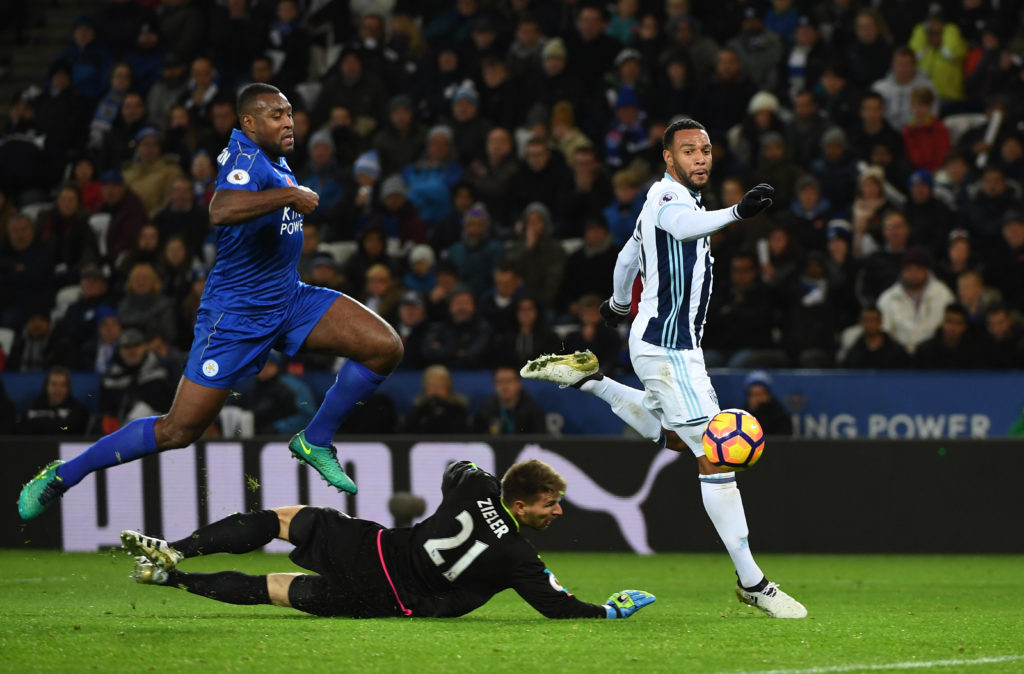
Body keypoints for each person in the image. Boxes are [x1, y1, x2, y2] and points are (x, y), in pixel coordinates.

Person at [19, 84, 403, 521]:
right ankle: (63, 475)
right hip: (235, 318)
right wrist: (291, 196)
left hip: (289, 299)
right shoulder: (244, 160)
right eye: (276, 115)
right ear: (249, 123)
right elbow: (221, 209)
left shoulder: (272, 159)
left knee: (383, 346)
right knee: (178, 430)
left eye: (290, 113)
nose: (289, 122)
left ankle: (315, 439)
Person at [521, 118, 806, 619]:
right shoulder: (671, 202)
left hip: (667, 347)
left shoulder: (670, 200)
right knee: (717, 453)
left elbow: (630, 253)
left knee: (679, 439)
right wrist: (739, 212)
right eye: (689, 151)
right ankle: (753, 582)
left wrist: (615, 303)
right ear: (668, 159)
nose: (700, 157)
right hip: (668, 348)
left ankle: (590, 380)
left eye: (706, 149)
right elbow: (681, 228)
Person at [120, 459, 655, 620]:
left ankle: (178, 549)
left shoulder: (478, 488)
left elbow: (455, 471)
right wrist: (609, 612)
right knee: (275, 589)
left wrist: (474, 474)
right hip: (391, 600)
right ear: (521, 506)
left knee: (286, 518)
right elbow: (557, 607)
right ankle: (174, 578)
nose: (558, 511)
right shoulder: (520, 557)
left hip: (375, 550)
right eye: (549, 503)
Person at [472, 365, 548, 435]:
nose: (505, 386)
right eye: (500, 382)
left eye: (509, 381)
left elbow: (540, 441)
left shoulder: (533, 410)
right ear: (494, 386)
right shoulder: (486, 409)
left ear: (519, 384)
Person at [18, 366, 90, 435]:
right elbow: (23, 428)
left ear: (68, 388)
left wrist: (39, 424)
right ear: (46, 386)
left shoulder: (78, 411)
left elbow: (66, 429)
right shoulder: (33, 406)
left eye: (62, 385)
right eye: (54, 384)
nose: (58, 389)